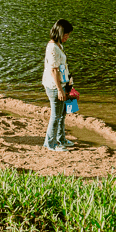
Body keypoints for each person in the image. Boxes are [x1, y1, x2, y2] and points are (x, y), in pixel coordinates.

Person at [41, 19, 74, 152]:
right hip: (55, 86)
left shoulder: (58, 45)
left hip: (63, 84)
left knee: (62, 114)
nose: (67, 37)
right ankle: (50, 144)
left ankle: (61, 139)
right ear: (60, 33)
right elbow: (54, 70)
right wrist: (60, 90)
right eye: (66, 34)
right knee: (56, 115)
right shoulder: (53, 48)